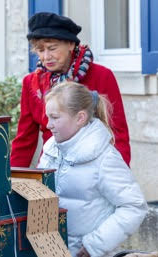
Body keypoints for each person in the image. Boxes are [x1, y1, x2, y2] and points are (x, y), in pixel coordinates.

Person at [37, 81, 147, 257]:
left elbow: (134, 207)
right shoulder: (51, 148)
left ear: (80, 118)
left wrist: (94, 246)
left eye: (55, 117)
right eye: (48, 117)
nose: (48, 124)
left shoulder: (105, 158)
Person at [10, 12, 131, 167]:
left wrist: (118, 173)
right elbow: (24, 140)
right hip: (51, 168)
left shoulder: (102, 76)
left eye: (52, 48)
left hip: (93, 169)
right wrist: (12, 181)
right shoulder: (31, 83)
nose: (46, 56)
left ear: (71, 44)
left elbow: (117, 133)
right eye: (40, 50)